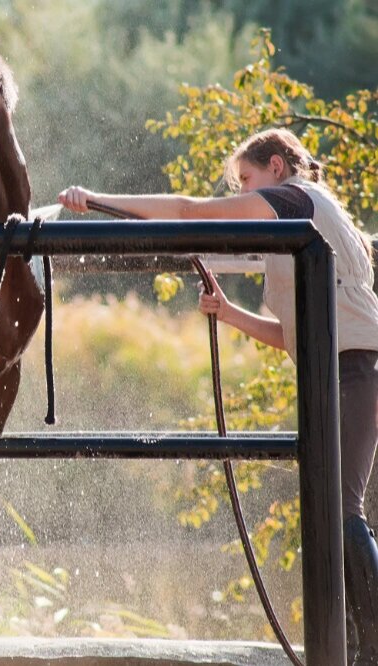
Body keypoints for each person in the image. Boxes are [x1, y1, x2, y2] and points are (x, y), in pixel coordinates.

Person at [58, 127, 378, 665]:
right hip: (343, 370)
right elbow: (294, 335)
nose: (245, 193)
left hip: (354, 372)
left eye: (247, 180)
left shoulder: (294, 198)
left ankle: (369, 645)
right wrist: (230, 313)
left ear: (277, 167)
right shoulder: (309, 221)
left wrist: (95, 200)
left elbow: (187, 210)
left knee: (342, 507)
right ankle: (350, 646)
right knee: (332, 508)